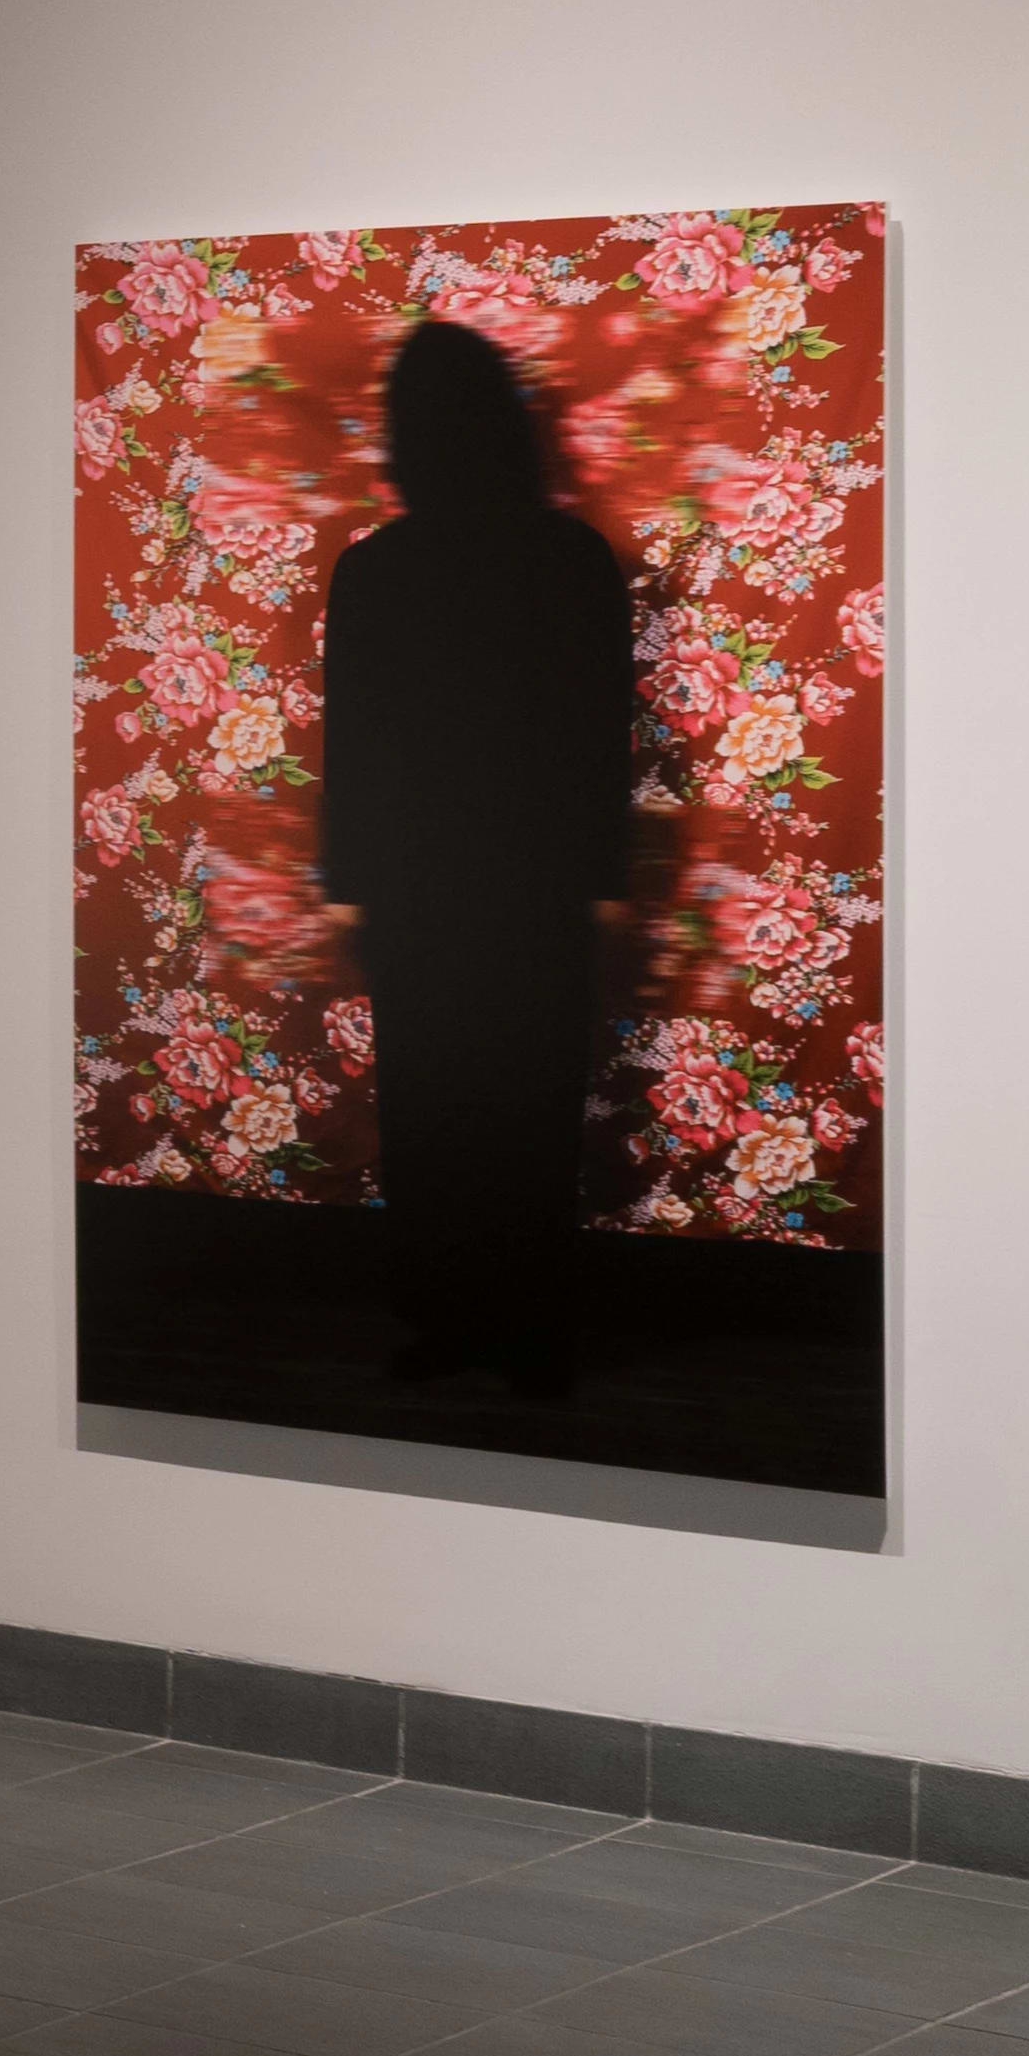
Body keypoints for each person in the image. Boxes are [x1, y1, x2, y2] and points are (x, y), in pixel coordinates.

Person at [317, 321, 634, 1393]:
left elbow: (351, 744)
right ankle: (531, 1332)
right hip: (536, 883)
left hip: (417, 886)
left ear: (401, 434)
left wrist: (350, 886)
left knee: (432, 1104)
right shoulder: (575, 559)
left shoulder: (372, 572)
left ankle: (446, 1322)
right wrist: (601, 881)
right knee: (532, 1108)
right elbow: (601, 734)